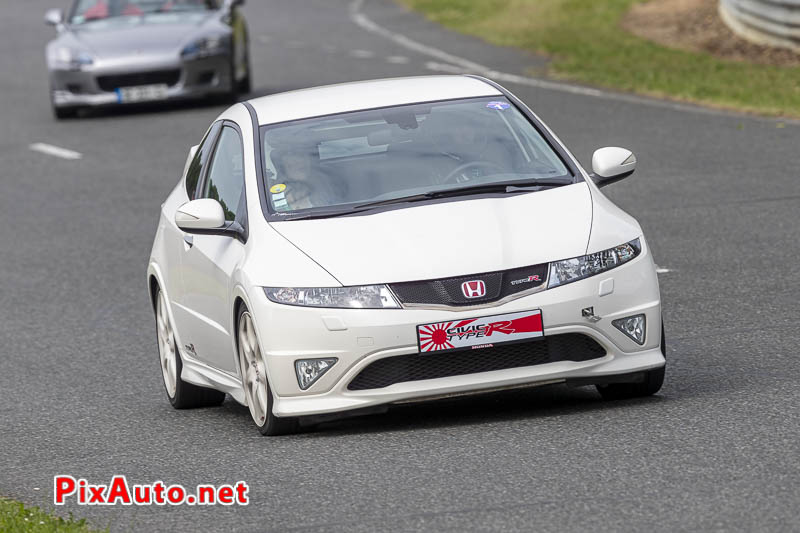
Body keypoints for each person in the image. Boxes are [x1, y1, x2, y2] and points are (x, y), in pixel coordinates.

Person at [272, 148, 337, 211]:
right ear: (283, 165)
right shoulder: (278, 193)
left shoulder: (323, 183)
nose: (301, 160)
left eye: (303, 155)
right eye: (293, 155)